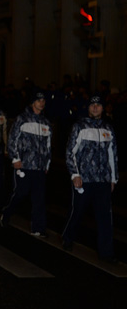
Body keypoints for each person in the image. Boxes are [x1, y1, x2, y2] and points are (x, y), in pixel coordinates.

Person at [62, 93, 119, 262]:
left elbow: (112, 155)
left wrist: (113, 179)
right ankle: (68, 237)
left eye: (98, 105)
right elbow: (70, 152)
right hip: (84, 179)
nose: (95, 107)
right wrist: (75, 175)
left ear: (103, 108)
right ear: (88, 107)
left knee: (104, 217)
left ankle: (107, 253)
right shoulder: (80, 126)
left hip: (102, 180)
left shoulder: (108, 129)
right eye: (92, 105)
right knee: (78, 212)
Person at [1, 89, 52, 237]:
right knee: (20, 193)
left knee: (39, 198)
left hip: (39, 166)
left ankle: (38, 228)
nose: (41, 103)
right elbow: (13, 140)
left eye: (43, 101)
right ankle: (7, 211)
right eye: (38, 100)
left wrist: (47, 164)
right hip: (24, 165)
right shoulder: (22, 119)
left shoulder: (46, 123)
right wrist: (15, 159)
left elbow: (48, 145)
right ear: (32, 103)